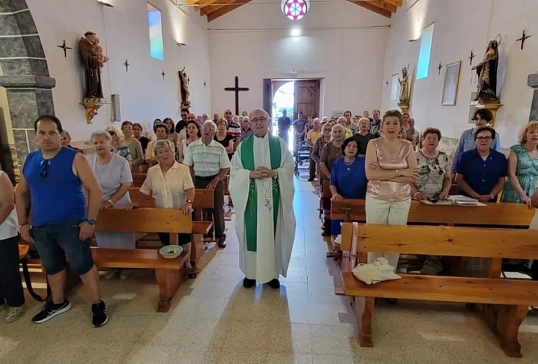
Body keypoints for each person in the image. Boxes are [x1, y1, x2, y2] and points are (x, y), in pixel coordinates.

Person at [15, 115, 108, 327]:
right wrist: (23, 223)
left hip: (72, 224)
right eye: (42, 133)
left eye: (52, 132)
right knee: (52, 266)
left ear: (61, 134)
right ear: (35, 135)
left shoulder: (75, 158)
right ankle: (58, 302)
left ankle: (97, 304)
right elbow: (21, 193)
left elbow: (95, 190)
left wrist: (90, 221)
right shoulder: (30, 160)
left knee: (83, 265)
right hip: (41, 225)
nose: (47, 137)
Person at [229, 108, 295, 289]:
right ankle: (251, 273)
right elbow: (234, 172)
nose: (259, 123)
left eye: (262, 119)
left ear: (269, 121)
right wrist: (249, 174)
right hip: (251, 199)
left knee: (272, 234)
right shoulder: (243, 146)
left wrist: (275, 173)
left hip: (273, 199)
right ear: (249, 123)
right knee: (252, 234)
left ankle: (272, 274)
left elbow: (289, 167)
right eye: (255, 120)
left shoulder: (279, 144)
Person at [128, 140, 197, 275]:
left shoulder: (182, 169)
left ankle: (187, 263)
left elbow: (190, 189)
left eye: (167, 151)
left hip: (180, 212)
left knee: (184, 240)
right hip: (162, 213)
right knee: (166, 241)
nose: (164, 154)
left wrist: (188, 202)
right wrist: (136, 202)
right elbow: (145, 189)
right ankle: (169, 264)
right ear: (156, 155)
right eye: (160, 152)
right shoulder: (152, 171)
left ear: (173, 152)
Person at [365, 110, 419, 270]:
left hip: (401, 199)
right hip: (377, 197)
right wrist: (401, 171)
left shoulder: (407, 146)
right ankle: (373, 275)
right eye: (388, 123)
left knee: (395, 238)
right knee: (375, 237)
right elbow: (370, 174)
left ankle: (388, 273)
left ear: (401, 127)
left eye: (395, 123)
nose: (391, 126)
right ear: (382, 126)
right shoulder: (373, 144)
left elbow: (413, 176)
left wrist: (382, 174)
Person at [88, 130, 134, 280]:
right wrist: (93, 201)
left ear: (110, 143)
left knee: (122, 236)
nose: (99, 145)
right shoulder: (88, 161)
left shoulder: (121, 161)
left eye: (102, 142)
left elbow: (126, 184)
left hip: (119, 202)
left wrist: (110, 202)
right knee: (104, 235)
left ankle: (127, 265)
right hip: (98, 204)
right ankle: (110, 266)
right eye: (95, 143)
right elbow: (83, 183)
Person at [183, 120, 231, 248]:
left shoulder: (219, 148)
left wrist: (216, 180)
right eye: (205, 128)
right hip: (198, 180)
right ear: (201, 130)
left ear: (214, 132)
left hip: (215, 180)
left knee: (217, 208)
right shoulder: (192, 147)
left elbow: (225, 168)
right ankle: (205, 235)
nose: (207, 131)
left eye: (210, 129)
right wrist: (191, 182)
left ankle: (221, 235)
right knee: (200, 208)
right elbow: (188, 166)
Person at [329, 137, 368, 242]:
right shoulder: (338, 163)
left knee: (359, 230)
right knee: (336, 211)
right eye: (349, 146)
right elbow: (332, 183)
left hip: (360, 200)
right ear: (344, 148)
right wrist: (335, 194)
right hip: (342, 200)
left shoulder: (363, 162)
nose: (351, 148)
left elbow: (370, 180)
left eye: (354, 146)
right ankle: (336, 243)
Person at [456, 126, 507, 202]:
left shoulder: (500, 158)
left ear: (492, 141)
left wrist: (491, 195)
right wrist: (473, 195)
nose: (483, 140)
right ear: (475, 141)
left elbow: (501, 181)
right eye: (480, 138)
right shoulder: (465, 156)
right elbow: (459, 179)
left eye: (487, 138)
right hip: (466, 199)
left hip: (489, 201)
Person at [0, 170, 24, 323]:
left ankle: (16, 303)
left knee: (7, 270)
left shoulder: (1, 176)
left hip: (4, 231)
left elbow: (8, 205)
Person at [451, 109, 501, 174]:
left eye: (482, 119)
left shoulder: (494, 135)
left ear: (487, 120)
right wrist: (453, 169)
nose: (479, 121)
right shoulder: (466, 134)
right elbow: (459, 151)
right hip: (466, 168)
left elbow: (496, 154)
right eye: (477, 119)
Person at [501, 121, 538, 206]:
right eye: (531, 132)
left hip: (534, 191)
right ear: (525, 135)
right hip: (514, 190)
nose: (535, 135)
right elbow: (511, 174)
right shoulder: (516, 149)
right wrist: (522, 194)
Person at [411, 127, 452, 201]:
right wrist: (415, 193)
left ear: (438, 141)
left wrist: (445, 191)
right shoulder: (414, 156)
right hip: (418, 199)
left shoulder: (443, 156)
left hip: (438, 199)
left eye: (434, 138)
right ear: (423, 140)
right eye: (429, 138)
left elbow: (448, 178)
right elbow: (407, 179)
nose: (431, 140)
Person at [78, 31, 103, 99]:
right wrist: (96, 58)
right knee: (94, 80)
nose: (94, 38)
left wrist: (100, 58)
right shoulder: (83, 44)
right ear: (88, 36)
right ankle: (91, 95)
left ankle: (94, 95)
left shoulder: (90, 45)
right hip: (91, 66)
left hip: (95, 66)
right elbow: (85, 56)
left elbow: (95, 53)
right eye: (93, 36)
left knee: (96, 81)